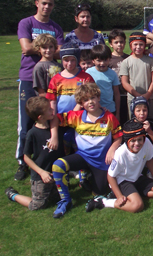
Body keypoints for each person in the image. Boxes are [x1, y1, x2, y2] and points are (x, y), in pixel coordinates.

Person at [51, 83, 122, 218]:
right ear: (81, 103)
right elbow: (54, 118)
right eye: (86, 100)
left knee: (99, 192)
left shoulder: (109, 117)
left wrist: (112, 149)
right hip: (82, 156)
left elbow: (118, 137)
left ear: (99, 98)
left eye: (93, 98)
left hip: (101, 160)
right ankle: (65, 200)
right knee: (57, 166)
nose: (90, 102)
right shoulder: (75, 116)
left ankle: (86, 175)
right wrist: (54, 136)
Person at [15, 0, 64, 181]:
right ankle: (22, 162)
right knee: (27, 122)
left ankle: (47, 158)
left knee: (51, 117)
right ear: (37, 3)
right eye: (44, 3)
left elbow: (60, 53)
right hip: (29, 77)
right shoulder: (26, 23)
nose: (47, 7)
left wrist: (48, 51)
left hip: (52, 80)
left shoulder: (56, 27)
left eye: (50, 4)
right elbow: (25, 48)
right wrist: (47, 48)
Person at [85, 120, 153, 213]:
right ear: (127, 141)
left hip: (137, 177)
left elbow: (149, 160)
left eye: (140, 139)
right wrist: (119, 195)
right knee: (137, 206)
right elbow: (110, 176)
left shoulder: (146, 142)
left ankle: (133, 194)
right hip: (123, 181)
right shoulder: (120, 153)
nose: (137, 143)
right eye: (133, 141)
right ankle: (103, 201)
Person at [5, 97, 62, 210]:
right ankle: (13, 195)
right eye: (49, 110)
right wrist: (41, 172)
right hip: (41, 177)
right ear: (40, 117)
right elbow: (26, 158)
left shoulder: (54, 126)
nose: (52, 110)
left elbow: (57, 117)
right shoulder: (32, 134)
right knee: (37, 205)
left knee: (59, 199)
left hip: (55, 174)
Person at [119, 33, 153, 120]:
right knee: (134, 123)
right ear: (130, 45)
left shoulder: (150, 61)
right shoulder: (126, 62)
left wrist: (148, 94)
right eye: (135, 44)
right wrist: (137, 95)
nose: (138, 47)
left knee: (150, 122)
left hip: (149, 98)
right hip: (133, 99)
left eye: (141, 44)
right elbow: (124, 82)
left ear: (145, 46)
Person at [86, 44, 121, 121]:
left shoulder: (112, 74)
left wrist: (118, 113)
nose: (102, 63)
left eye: (105, 60)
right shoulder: (88, 73)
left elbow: (117, 94)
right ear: (93, 60)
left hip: (110, 109)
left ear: (110, 59)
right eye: (99, 60)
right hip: (94, 109)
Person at [108, 29, 130, 126]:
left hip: (127, 94)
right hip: (113, 95)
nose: (119, 44)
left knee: (126, 118)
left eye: (121, 42)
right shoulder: (108, 59)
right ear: (111, 44)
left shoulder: (129, 58)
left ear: (125, 43)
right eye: (116, 42)